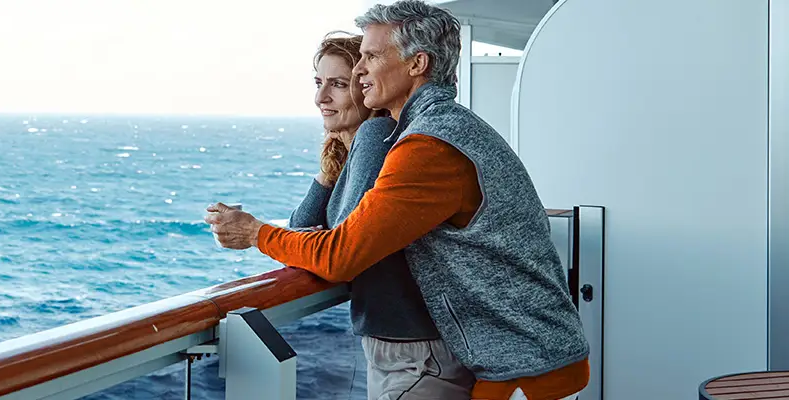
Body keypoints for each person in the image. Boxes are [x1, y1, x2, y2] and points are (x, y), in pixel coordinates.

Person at [205, 1, 590, 399]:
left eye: (371, 56)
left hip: (527, 368)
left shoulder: (430, 147)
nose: (359, 70)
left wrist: (255, 232)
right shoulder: (443, 128)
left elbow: (342, 255)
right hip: (522, 358)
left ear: (416, 63)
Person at [294, 31, 473, 400]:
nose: (320, 98)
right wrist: (332, 164)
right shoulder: (362, 144)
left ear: (365, 87)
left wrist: (252, 232)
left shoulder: (379, 133)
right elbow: (302, 225)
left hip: (416, 353)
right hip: (409, 348)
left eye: (338, 85)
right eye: (318, 83)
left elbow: (339, 244)